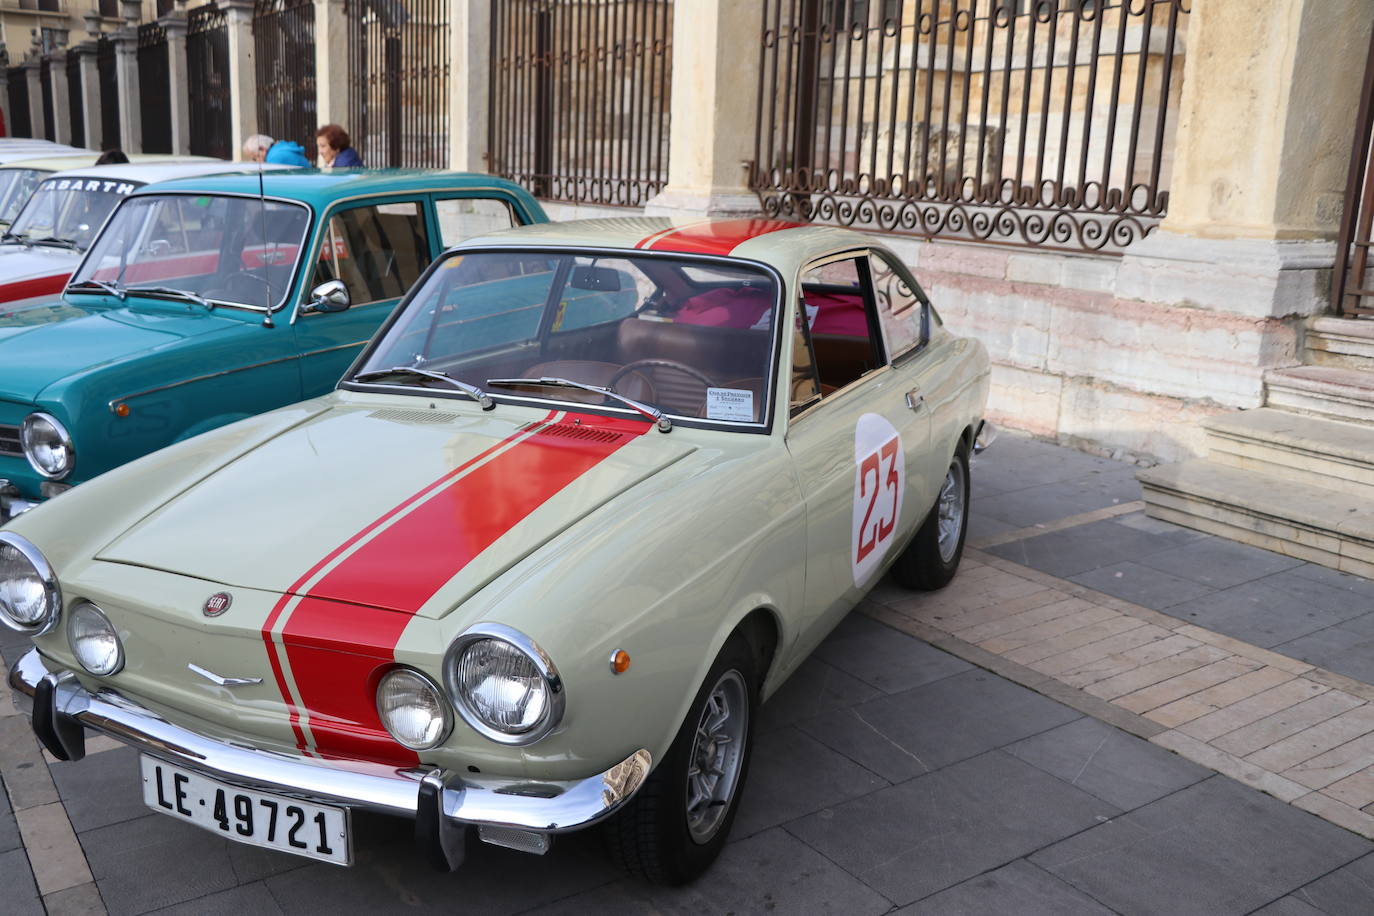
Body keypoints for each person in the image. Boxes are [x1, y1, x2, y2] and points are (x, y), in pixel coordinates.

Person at [241, 133, 311, 167]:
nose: (256, 161)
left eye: (255, 158)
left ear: (262, 149)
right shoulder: (279, 148)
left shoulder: (274, 158)